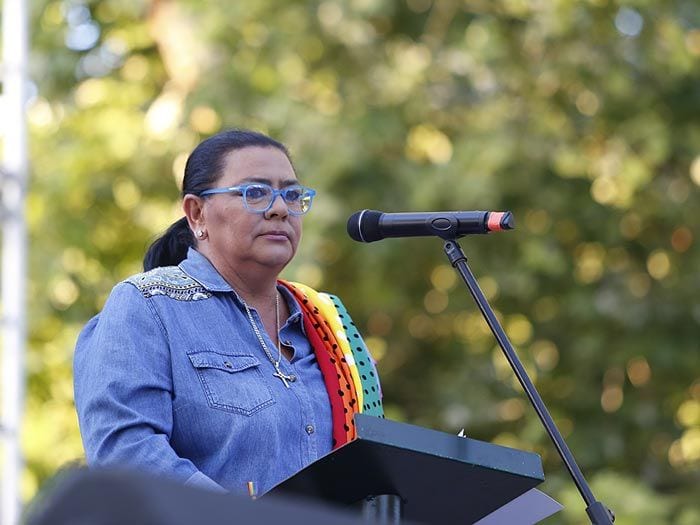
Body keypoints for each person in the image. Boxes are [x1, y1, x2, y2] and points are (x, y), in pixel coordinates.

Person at [74, 129, 383, 495]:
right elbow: (125, 456)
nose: (280, 208)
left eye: (292, 194)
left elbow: (370, 469)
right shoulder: (148, 305)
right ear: (197, 213)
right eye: (255, 193)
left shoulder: (328, 325)